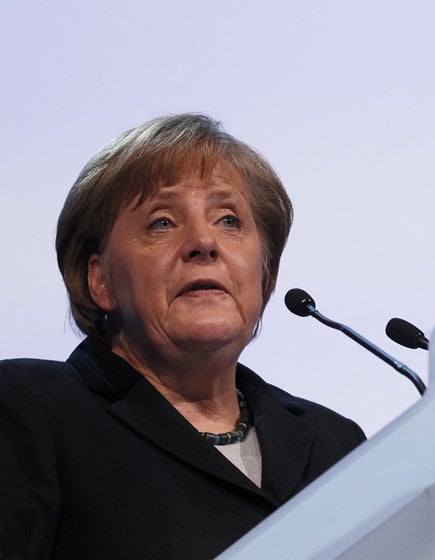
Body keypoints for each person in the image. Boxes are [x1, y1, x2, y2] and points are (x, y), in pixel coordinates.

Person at [0, 113, 365, 559]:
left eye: (229, 220)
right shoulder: (26, 410)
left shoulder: (335, 444)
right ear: (101, 281)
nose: (204, 243)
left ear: (264, 272)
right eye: (162, 222)